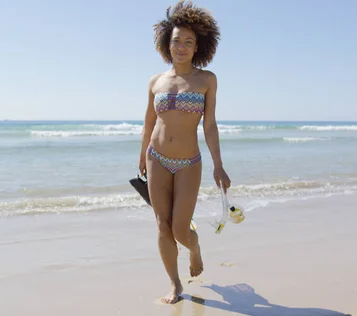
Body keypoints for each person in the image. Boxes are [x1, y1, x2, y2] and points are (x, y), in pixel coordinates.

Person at [138, 0, 231, 304]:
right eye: (176, 40)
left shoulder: (207, 80)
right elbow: (149, 122)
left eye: (188, 42)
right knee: (162, 225)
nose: (181, 46)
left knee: (180, 230)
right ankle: (175, 284)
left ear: (197, 48)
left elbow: (211, 125)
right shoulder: (155, 81)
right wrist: (142, 156)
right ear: (167, 43)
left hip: (189, 162)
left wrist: (218, 165)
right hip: (157, 159)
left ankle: (195, 248)